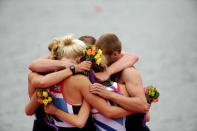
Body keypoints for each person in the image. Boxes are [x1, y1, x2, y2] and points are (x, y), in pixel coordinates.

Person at [25, 35, 134, 131]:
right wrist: (136, 108)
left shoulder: (42, 77)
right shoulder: (82, 81)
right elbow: (86, 120)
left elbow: (29, 110)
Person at [90, 33, 150, 131]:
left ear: (115, 54)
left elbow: (142, 105)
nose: (98, 60)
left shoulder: (129, 72)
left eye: (102, 56)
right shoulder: (105, 66)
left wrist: (109, 95)